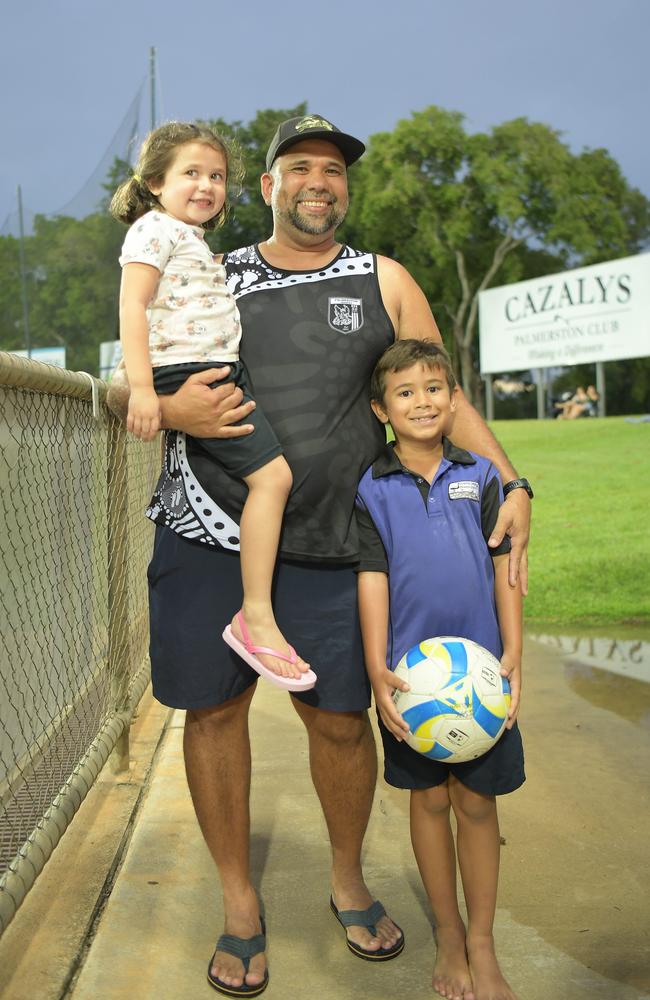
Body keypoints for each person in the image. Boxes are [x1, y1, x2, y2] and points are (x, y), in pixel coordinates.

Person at [108, 114, 532, 997]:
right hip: (202, 526)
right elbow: (133, 369)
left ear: (346, 189)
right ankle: (238, 904)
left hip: (331, 540)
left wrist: (512, 480)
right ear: (264, 186)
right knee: (214, 715)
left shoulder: (382, 278)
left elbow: (439, 396)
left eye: (333, 170)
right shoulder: (209, 268)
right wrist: (163, 409)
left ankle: (347, 879)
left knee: (341, 722)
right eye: (297, 166)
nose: (318, 181)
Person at [110, 121, 313, 689]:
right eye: (191, 174)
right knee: (273, 479)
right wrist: (146, 390)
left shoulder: (188, 238)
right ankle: (255, 616)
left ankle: (253, 608)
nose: (206, 185)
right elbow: (133, 306)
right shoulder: (153, 230)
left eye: (217, 176)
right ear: (155, 182)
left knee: (265, 479)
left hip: (211, 369)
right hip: (187, 373)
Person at [356, 338, 524, 1000]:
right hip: (413, 686)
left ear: (454, 400)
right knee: (427, 800)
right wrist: (375, 665)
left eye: (434, 388)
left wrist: (515, 656)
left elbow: (506, 570)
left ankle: (481, 944)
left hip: (482, 682)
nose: (422, 401)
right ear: (381, 410)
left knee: (476, 805)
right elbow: (373, 579)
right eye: (405, 392)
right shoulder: (373, 487)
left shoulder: (482, 477)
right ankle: (448, 939)